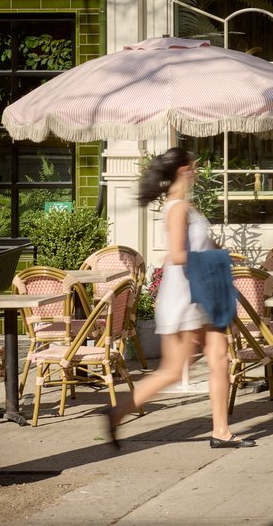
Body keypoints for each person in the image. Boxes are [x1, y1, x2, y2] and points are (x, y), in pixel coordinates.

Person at [106, 146, 255, 448]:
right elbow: (176, 254)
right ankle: (117, 413)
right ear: (183, 170)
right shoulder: (175, 208)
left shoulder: (187, 206)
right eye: (195, 166)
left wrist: (223, 254)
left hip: (204, 294)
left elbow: (202, 245)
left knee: (220, 359)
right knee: (173, 371)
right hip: (185, 297)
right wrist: (214, 260)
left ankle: (221, 431)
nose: (198, 170)